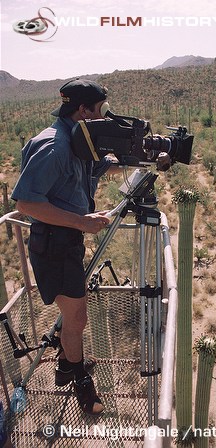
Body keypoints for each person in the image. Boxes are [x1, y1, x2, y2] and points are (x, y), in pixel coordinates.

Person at [11, 79, 119, 416]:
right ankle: (79, 381)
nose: (103, 115)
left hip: (66, 242)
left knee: (73, 316)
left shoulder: (78, 140)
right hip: (54, 247)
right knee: (77, 317)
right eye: (99, 109)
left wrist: (138, 154)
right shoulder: (55, 146)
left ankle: (66, 360)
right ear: (83, 110)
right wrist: (82, 222)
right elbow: (26, 202)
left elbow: (98, 168)